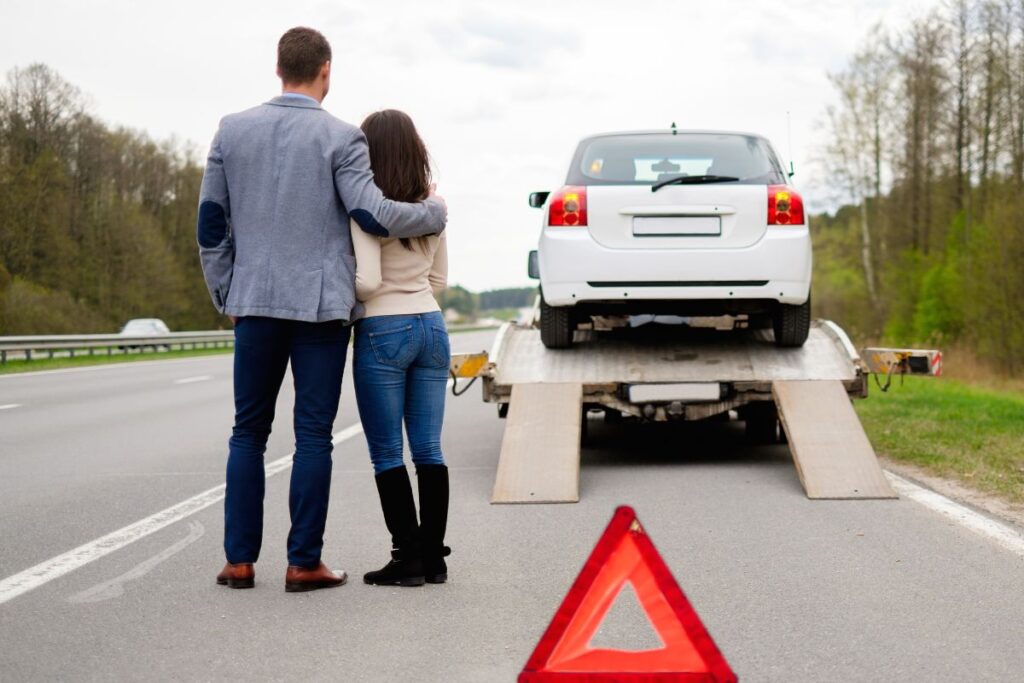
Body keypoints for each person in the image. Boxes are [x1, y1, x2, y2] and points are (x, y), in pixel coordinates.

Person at [198, 28, 447, 593]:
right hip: (321, 311)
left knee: (247, 434)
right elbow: (376, 213)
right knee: (312, 436)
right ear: (326, 69)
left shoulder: (231, 131)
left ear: (278, 67)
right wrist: (434, 215)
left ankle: (239, 561)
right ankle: (302, 562)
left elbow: (212, 224)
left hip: (254, 304)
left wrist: (226, 295)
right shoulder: (342, 138)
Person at [350, 110, 451, 587]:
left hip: (382, 328)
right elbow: (440, 280)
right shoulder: (433, 206)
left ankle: (405, 558)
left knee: (388, 451)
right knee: (429, 448)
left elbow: (368, 282)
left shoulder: (366, 209)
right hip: (431, 324)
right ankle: (433, 558)